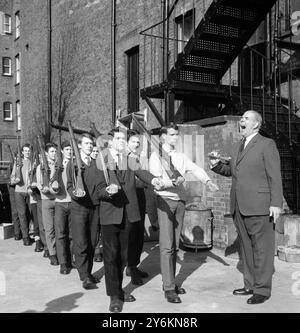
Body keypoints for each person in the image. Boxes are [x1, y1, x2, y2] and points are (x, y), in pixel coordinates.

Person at [209, 110, 283, 305]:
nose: (241, 120)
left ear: (256, 124)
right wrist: (216, 165)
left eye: (246, 118)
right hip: (239, 206)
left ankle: (262, 289)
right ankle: (250, 284)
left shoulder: (267, 145)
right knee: (247, 249)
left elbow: (275, 176)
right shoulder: (237, 146)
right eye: (241, 118)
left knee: (262, 249)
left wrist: (276, 203)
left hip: (260, 206)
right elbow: (233, 172)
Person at [149, 123, 219, 304]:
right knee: (166, 245)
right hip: (164, 201)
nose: (175, 138)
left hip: (180, 203)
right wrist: (173, 182)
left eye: (176, 135)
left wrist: (207, 181)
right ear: (163, 136)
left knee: (176, 246)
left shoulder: (180, 157)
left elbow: (195, 168)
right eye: (172, 135)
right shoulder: (156, 156)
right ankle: (169, 287)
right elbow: (155, 181)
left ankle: (171, 281)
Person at [100, 127, 163, 313]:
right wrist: (106, 192)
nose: (121, 141)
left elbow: (142, 173)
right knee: (111, 257)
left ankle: (118, 288)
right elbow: (95, 187)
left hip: (129, 213)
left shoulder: (130, 160)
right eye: (118, 138)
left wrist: (154, 180)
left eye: (123, 138)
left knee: (122, 257)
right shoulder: (101, 160)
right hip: (110, 214)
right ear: (111, 141)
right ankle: (115, 296)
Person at [66, 133, 114, 290]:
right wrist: (74, 193)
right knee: (81, 242)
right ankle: (84, 276)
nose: (89, 146)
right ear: (79, 145)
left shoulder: (96, 164)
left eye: (90, 144)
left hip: (95, 207)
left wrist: (107, 191)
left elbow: (100, 187)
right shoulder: (72, 164)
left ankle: (88, 271)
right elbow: (68, 185)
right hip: (79, 208)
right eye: (86, 143)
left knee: (92, 242)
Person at [125, 130, 156, 285]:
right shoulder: (124, 158)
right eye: (133, 142)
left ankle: (134, 266)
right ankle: (130, 267)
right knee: (131, 236)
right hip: (130, 201)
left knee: (138, 236)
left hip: (140, 197)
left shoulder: (137, 157)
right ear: (126, 142)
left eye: (138, 142)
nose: (136, 144)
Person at [36, 143, 58, 266]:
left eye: (55, 151)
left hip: (58, 200)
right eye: (51, 152)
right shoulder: (41, 167)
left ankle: (60, 252)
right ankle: (52, 254)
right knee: (49, 229)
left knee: (59, 229)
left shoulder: (59, 165)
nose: (54, 154)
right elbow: (39, 183)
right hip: (46, 200)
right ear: (46, 153)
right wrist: (42, 189)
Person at [54, 140, 73, 275]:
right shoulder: (57, 165)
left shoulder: (76, 164)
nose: (69, 152)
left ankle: (72, 260)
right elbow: (51, 182)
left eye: (71, 149)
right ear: (62, 151)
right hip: (60, 202)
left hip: (73, 202)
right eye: (67, 149)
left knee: (73, 234)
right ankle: (63, 263)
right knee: (61, 234)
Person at [10, 144, 33, 246]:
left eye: (28, 150)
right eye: (25, 151)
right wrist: (15, 180)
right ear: (22, 152)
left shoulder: (33, 163)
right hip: (19, 192)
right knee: (22, 214)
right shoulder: (18, 162)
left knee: (28, 214)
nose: (27, 152)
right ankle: (25, 237)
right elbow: (13, 176)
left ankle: (25, 233)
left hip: (29, 192)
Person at [90, 145, 103, 263]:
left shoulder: (101, 165)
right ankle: (94, 250)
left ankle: (98, 250)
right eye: (93, 151)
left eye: (96, 151)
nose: (94, 153)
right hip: (91, 201)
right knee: (93, 228)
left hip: (102, 201)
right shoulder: (88, 164)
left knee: (100, 227)